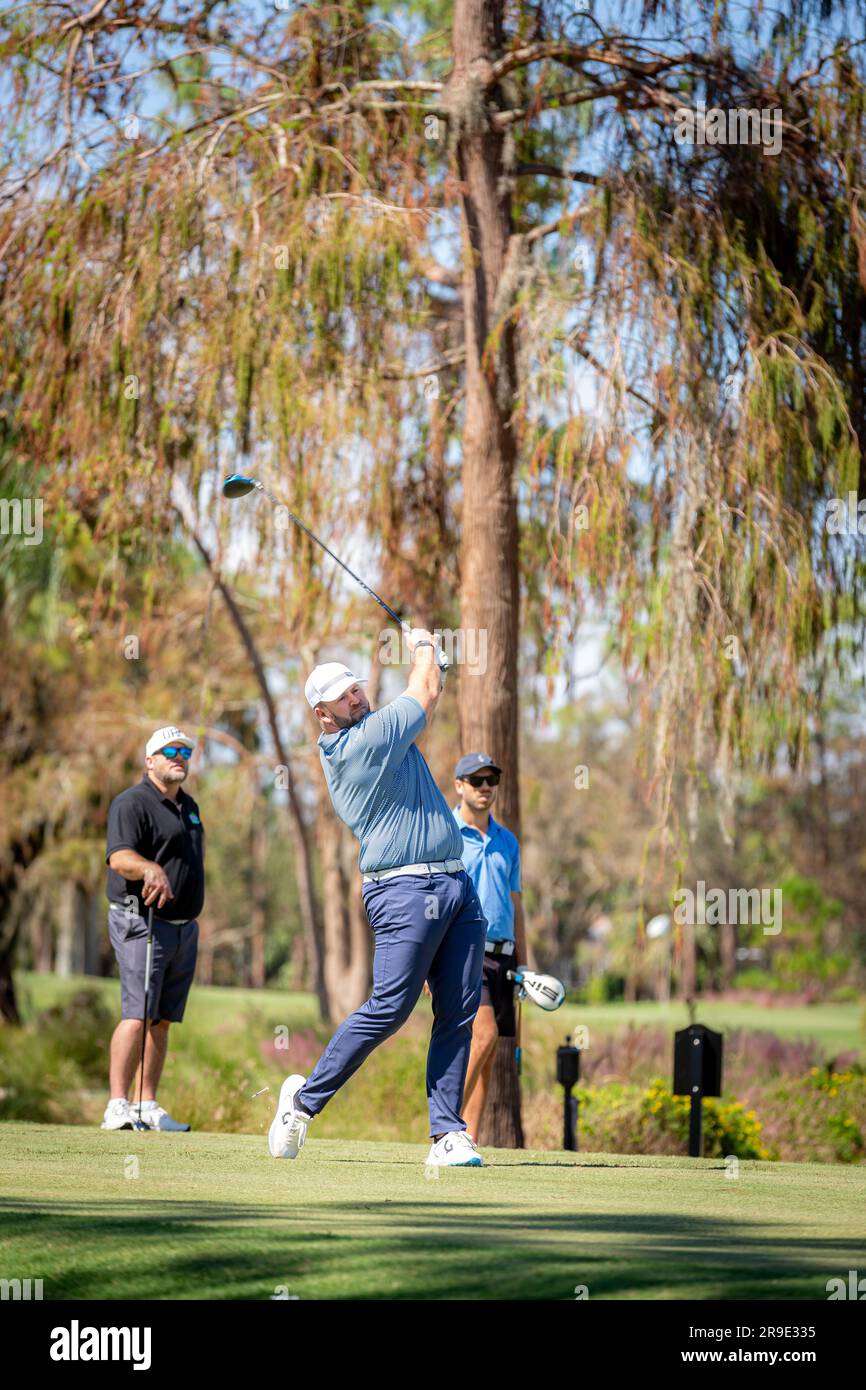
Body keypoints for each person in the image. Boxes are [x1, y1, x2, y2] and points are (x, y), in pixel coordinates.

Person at [269, 632, 489, 1168]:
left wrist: (426, 655)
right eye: (344, 698)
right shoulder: (360, 745)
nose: (357, 698)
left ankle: (447, 1135)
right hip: (404, 890)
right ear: (324, 715)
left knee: (459, 1013)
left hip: (455, 884)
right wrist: (423, 645)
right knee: (390, 1008)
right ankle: (302, 1104)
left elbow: (426, 687)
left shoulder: (375, 730)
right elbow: (428, 687)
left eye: (357, 689)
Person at [101, 725, 204, 1132]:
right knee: (137, 1013)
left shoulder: (189, 806)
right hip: (142, 923)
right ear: (150, 760)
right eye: (169, 751)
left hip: (183, 928)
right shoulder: (132, 803)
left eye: (184, 751)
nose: (179, 756)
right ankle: (117, 1104)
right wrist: (150, 868)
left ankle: (146, 1104)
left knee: (161, 1018)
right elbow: (118, 858)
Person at [452, 752, 527, 1138]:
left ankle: (467, 1140)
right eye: (476, 780)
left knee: (486, 1055)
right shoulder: (444, 833)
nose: (485, 788)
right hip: (462, 952)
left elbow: (516, 903)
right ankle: (443, 1127)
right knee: (484, 1035)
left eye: (491, 781)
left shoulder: (507, 841)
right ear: (459, 786)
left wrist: (525, 964)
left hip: (504, 955)